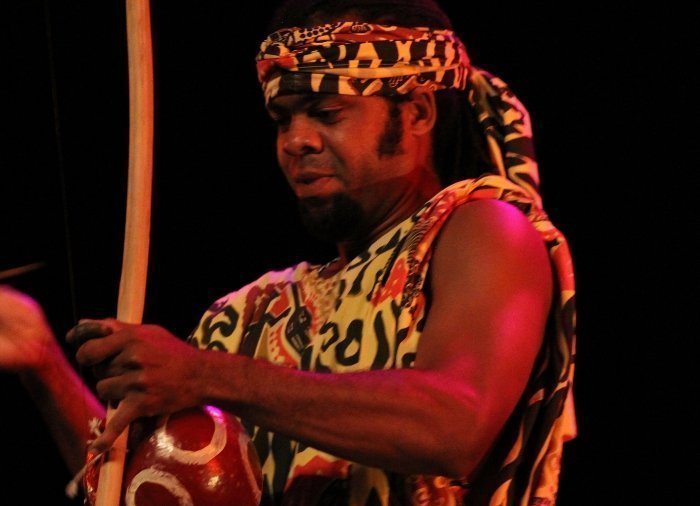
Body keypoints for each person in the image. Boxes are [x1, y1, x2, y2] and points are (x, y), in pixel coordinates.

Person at [0, 0, 577, 504]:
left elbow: (455, 422)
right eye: (282, 119)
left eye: (327, 113)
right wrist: (42, 362)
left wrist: (206, 374)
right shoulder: (247, 315)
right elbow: (151, 491)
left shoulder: (481, 226)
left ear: (418, 113)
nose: (295, 141)